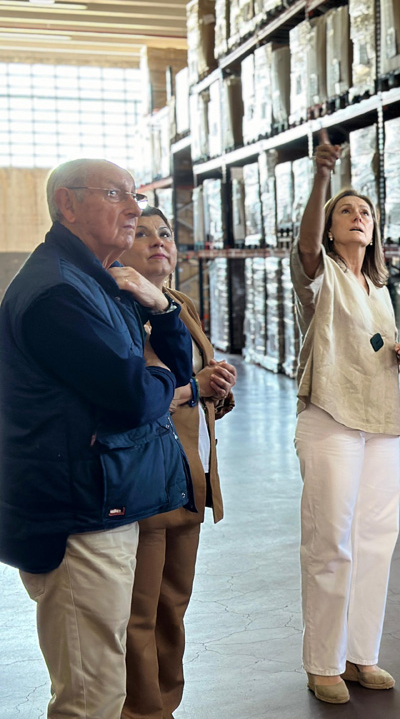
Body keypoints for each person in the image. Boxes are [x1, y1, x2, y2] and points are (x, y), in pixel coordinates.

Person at [0, 158, 194, 719]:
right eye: (117, 195)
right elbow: (137, 396)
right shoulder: (59, 293)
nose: (135, 209)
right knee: (90, 695)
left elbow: (175, 372)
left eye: (135, 195)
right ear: (68, 203)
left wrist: (162, 308)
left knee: (103, 681)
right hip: (78, 516)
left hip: (109, 503)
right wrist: (159, 378)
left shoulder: (103, 282)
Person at [290, 129, 400, 705]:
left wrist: (399, 349)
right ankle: (322, 662)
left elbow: (368, 345)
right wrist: (323, 177)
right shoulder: (322, 277)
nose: (356, 217)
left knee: (376, 539)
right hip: (330, 417)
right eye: (346, 211)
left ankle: (359, 654)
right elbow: (307, 241)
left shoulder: (377, 286)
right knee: (330, 541)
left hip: (379, 423)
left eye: (364, 211)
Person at [118, 206, 238, 719]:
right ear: (119, 247)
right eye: (141, 234)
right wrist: (194, 388)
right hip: (144, 482)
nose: (157, 242)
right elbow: (130, 400)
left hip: (187, 475)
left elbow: (192, 389)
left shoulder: (178, 303)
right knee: (137, 612)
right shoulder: (118, 309)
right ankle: (140, 711)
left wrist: (216, 392)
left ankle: (165, 705)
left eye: (164, 233)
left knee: (173, 606)